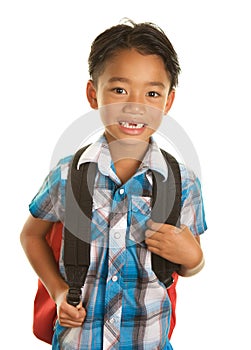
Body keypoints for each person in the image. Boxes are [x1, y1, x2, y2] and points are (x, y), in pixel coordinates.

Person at [20, 19, 207, 350]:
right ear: (94, 94)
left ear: (168, 102)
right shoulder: (68, 175)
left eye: (152, 93)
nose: (135, 105)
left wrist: (194, 259)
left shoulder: (182, 182)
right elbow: (31, 234)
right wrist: (59, 290)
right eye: (119, 89)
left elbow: (188, 260)